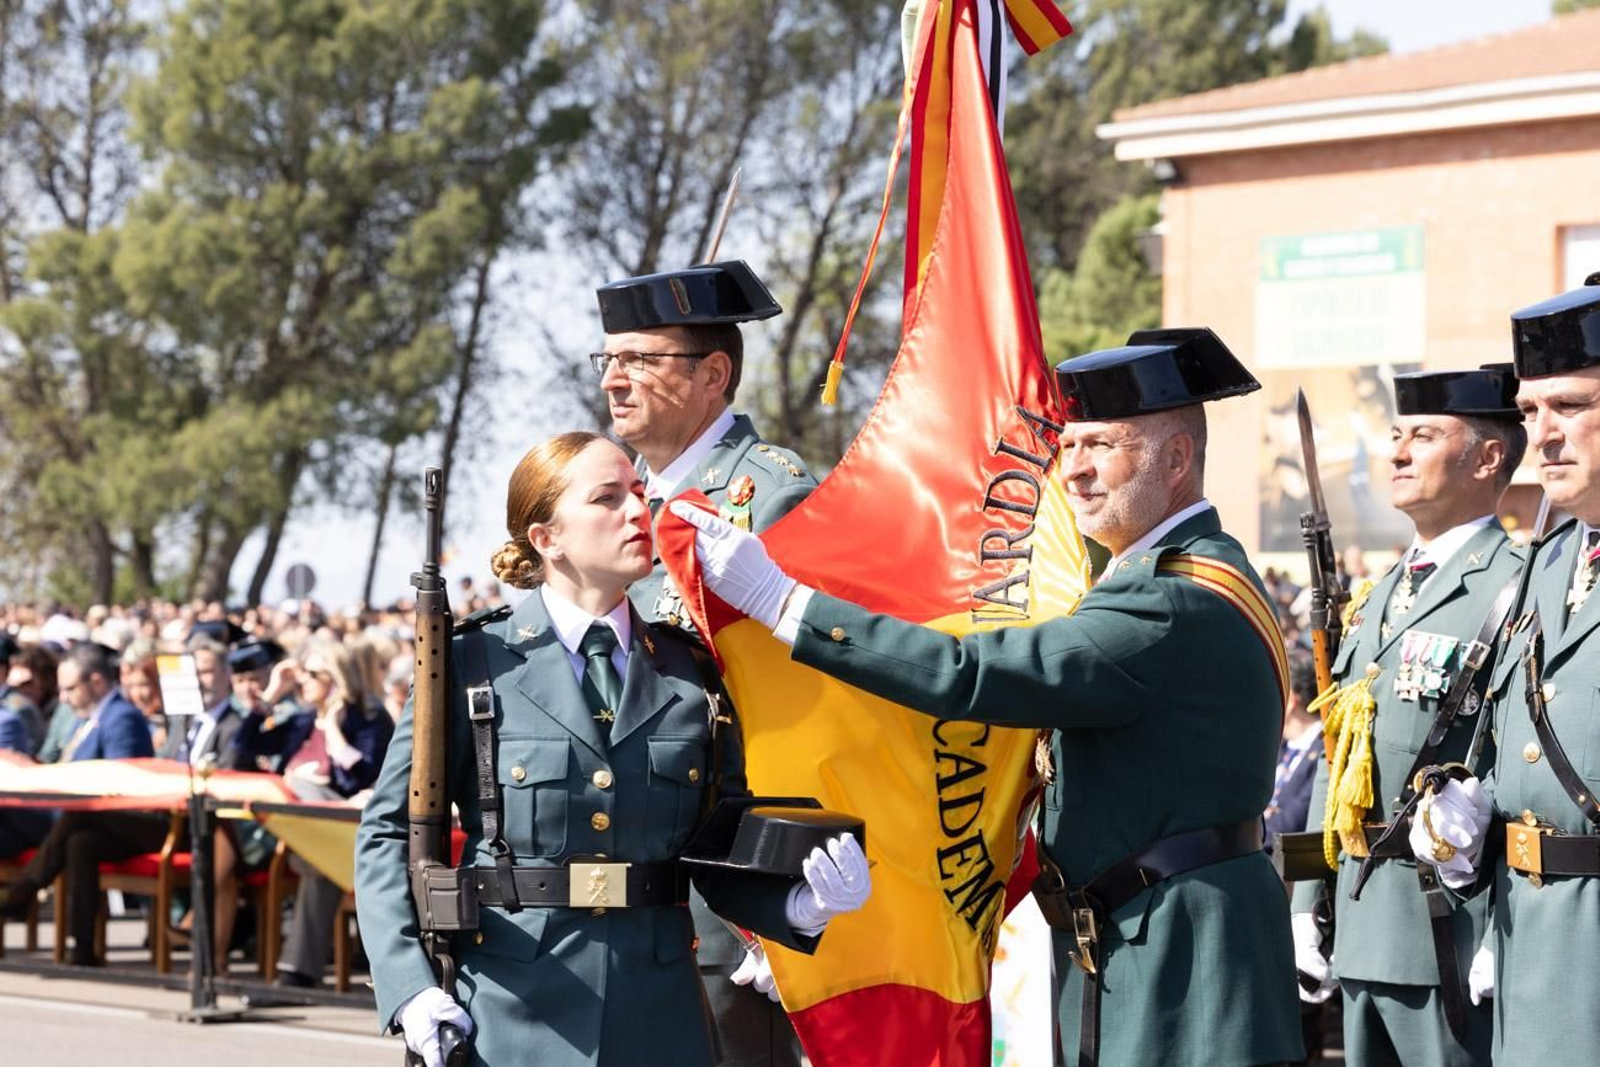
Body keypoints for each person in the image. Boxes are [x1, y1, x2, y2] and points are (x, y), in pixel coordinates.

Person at [673, 329, 1303, 1066]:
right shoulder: (1164, 580)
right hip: (1149, 933)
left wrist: (785, 604)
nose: (1077, 471)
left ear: (1175, 457)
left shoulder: (1168, 601)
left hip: (1182, 949)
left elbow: (973, 673)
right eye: (1069, 447)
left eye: (1103, 446)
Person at [355, 432, 869, 1067]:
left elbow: (715, 846)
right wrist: (409, 988)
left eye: (637, 492)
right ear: (547, 539)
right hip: (512, 1012)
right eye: (606, 498)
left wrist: (798, 904)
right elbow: (388, 833)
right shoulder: (472, 665)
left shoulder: (690, 671)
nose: (637, 510)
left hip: (658, 1017)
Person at [595, 260, 817, 1064]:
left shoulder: (768, 496)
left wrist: (772, 899)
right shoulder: (621, 501)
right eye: (608, 360)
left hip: (725, 884)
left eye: (639, 359)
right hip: (626, 886)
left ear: (713, 375)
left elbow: (804, 702)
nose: (614, 379)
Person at [1289, 366, 1526, 1066]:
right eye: (1395, 435)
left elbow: (1522, 762)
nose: (1395, 453)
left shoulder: (1517, 581)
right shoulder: (1377, 596)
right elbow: (1339, 750)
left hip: (1454, 929)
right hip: (1364, 926)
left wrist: (1509, 930)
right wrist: (1305, 903)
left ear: (1486, 458)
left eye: (1422, 435)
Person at [1410, 275, 1600, 1063]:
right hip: (1525, 937)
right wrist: (1469, 817)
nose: (1545, 433)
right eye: (1530, 412)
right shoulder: (1549, 560)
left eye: (1572, 406)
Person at [0, 639, 238, 964]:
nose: (64, 698)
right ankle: (83, 948)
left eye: (71, 688)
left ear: (95, 681)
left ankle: (23, 892)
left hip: (178, 824)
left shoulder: (122, 717)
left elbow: (122, 779)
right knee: (82, 841)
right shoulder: (179, 723)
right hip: (141, 820)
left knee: (80, 817)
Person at [236, 638, 392, 992]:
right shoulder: (304, 721)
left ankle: (296, 976)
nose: (302, 681)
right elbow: (245, 744)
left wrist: (334, 728)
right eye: (301, 673)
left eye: (312, 674)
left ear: (336, 679)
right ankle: (295, 975)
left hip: (343, 830)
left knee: (298, 793)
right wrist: (272, 695)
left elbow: (361, 779)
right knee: (291, 787)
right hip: (292, 825)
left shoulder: (369, 720)